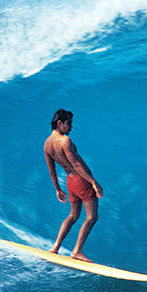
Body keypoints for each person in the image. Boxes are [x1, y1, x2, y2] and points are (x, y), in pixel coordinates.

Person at [44, 109, 103, 262]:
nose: (71, 126)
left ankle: (56, 247)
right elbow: (77, 164)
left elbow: (52, 171)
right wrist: (93, 182)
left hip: (69, 181)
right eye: (68, 123)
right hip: (81, 181)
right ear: (59, 123)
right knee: (91, 217)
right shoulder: (65, 141)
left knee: (73, 215)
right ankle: (77, 251)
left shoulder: (47, 144)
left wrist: (58, 189)